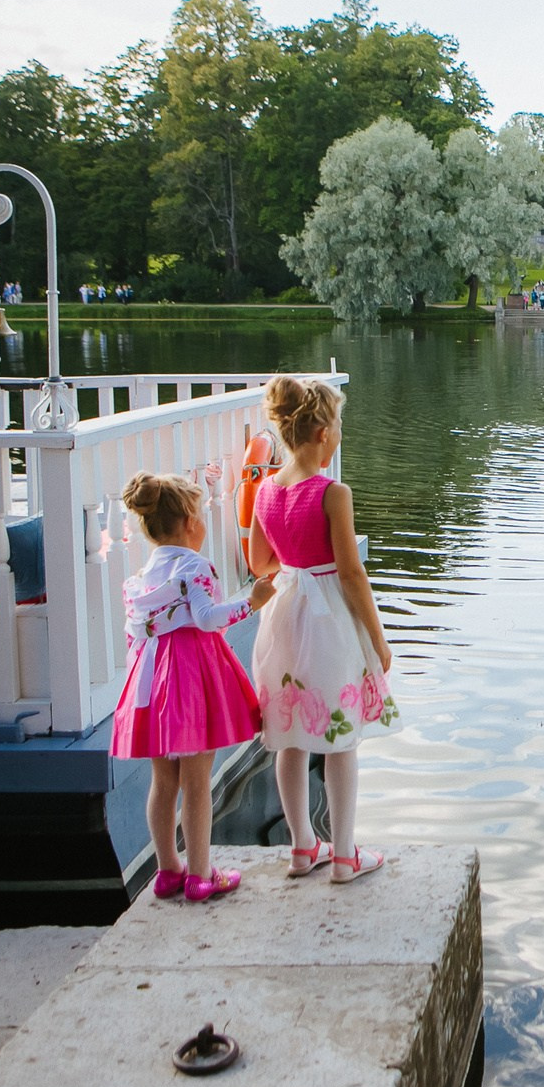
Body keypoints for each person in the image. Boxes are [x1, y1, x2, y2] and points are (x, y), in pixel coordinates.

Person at [249, 376, 401, 885]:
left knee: (290, 736)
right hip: (329, 618)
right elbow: (352, 573)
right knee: (340, 738)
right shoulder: (334, 493)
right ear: (321, 434)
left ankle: (301, 847)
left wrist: (295, 559)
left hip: (284, 616)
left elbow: (260, 564)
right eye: (338, 425)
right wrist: (377, 638)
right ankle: (344, 855)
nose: (339, 433)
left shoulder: (266, 490)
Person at [113, 472, 272, 902]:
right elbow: (206, 619)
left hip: (151, 678)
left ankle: (168, 870)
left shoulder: (144, 574)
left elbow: (136, 634)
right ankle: (201, 874)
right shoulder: (194, 567)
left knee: (163, 781)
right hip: (189, 679)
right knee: (197, 781)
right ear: (189, 522)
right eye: (200, 515)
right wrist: (251, 603)